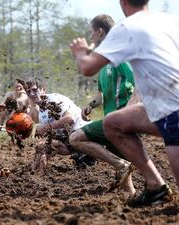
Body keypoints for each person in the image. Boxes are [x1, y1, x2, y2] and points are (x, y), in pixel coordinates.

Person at [70, 0, 179, 207]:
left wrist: (80, 52)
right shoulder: (171, 20)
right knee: (113, 123)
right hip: (161, 109)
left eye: (92, 33)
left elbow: (86, 68)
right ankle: (155, 186)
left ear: (122, 2)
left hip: (173, 112)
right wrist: (93, 105)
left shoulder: (127, 27)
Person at [68, 14, 136, 195]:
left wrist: (130, 115)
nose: (90, 37)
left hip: (123, 121)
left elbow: (138, 83)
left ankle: (123, 166)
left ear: (100, 31)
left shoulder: (120, 56)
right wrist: (90, 105)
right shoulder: (104, 62)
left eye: (91, 33)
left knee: (75, 138)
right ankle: (132, 197)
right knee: (122, 177)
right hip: (112, 121)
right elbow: (101, 94)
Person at [26, 79, 91, 172]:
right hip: (70, 141)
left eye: (35, 90)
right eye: (28, 92)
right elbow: (53, 136)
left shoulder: (53, 99)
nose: (32, 94)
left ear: (43, 89)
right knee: (41, 147)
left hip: (83, 134)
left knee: (86, 167)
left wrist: (45, 128)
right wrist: (45, 151)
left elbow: (70, 118)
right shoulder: (41, 113)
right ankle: (34, 172)